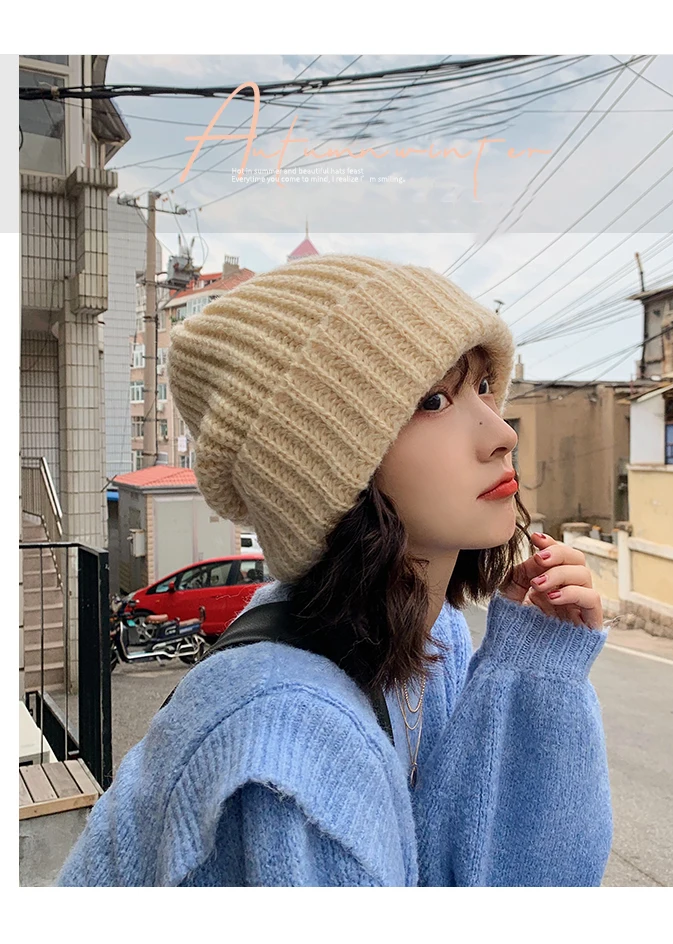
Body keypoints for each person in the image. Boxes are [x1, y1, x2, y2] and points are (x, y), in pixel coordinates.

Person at [57, 254, 612, 887]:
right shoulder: (288, 741)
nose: (500, 432)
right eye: (432, 400)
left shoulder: (432, 637)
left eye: (483, 386)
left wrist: (532, 668)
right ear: (328, 472)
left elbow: (446, 862)